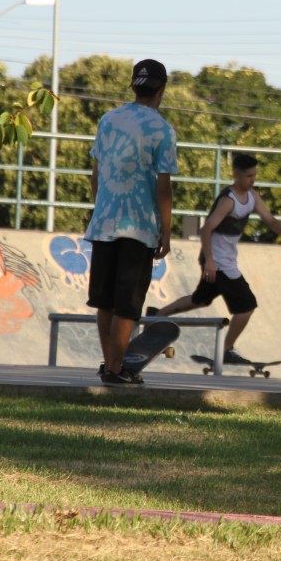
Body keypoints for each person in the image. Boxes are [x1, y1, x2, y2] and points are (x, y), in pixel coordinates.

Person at [148, 153, 281, 362]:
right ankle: (225, 350)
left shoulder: (252, 196)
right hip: (218, 262)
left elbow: (270, 220)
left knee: (200, 299)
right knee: (247, 306)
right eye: (248, 176)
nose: (252, 180)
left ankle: (157, 315)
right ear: (236, 175)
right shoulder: (228, 200)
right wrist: (209, 261)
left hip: (224, 261)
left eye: (254, 176)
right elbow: (206, 229)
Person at [85, 58, 178, 385]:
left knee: (103, 299)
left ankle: (111, 364)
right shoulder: (162, 129)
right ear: (161, 90)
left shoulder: (108, 120)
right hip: (139, 227)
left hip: (104, 223)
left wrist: (100, 208)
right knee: (127, 304)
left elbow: (95, 174)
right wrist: (166, 233)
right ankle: (114, 369)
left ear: (133, 87)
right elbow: (163, 186)